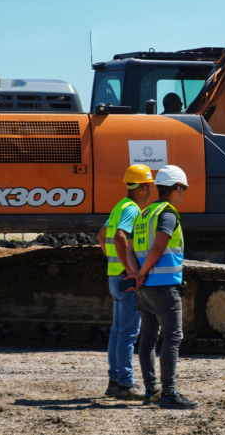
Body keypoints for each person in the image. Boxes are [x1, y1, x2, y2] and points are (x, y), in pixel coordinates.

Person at [127, 165, 199, 409]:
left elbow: (128, 247)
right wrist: (143, 272)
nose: (183, 194)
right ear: (177, 189)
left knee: (147, 338)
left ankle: (151, 391)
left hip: (144, 288)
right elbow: (158, 248)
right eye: (184, 190)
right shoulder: (167, 213)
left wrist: (136, 274)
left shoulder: (143, 213)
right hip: (163, 286)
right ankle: (168, 393)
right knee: (172, 337)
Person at [96, 164, 153, 401]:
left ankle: (114, 381)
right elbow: (120, 236)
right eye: (149, 185)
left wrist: (115, 263)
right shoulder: (131, 209)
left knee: (118, 331)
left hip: (114, 275)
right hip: (124, 277)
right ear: (142, 187)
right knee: (129, 333)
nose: (150, 190)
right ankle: (126, 384)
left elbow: (101, 236)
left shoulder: (119, 206)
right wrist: (131, 270)